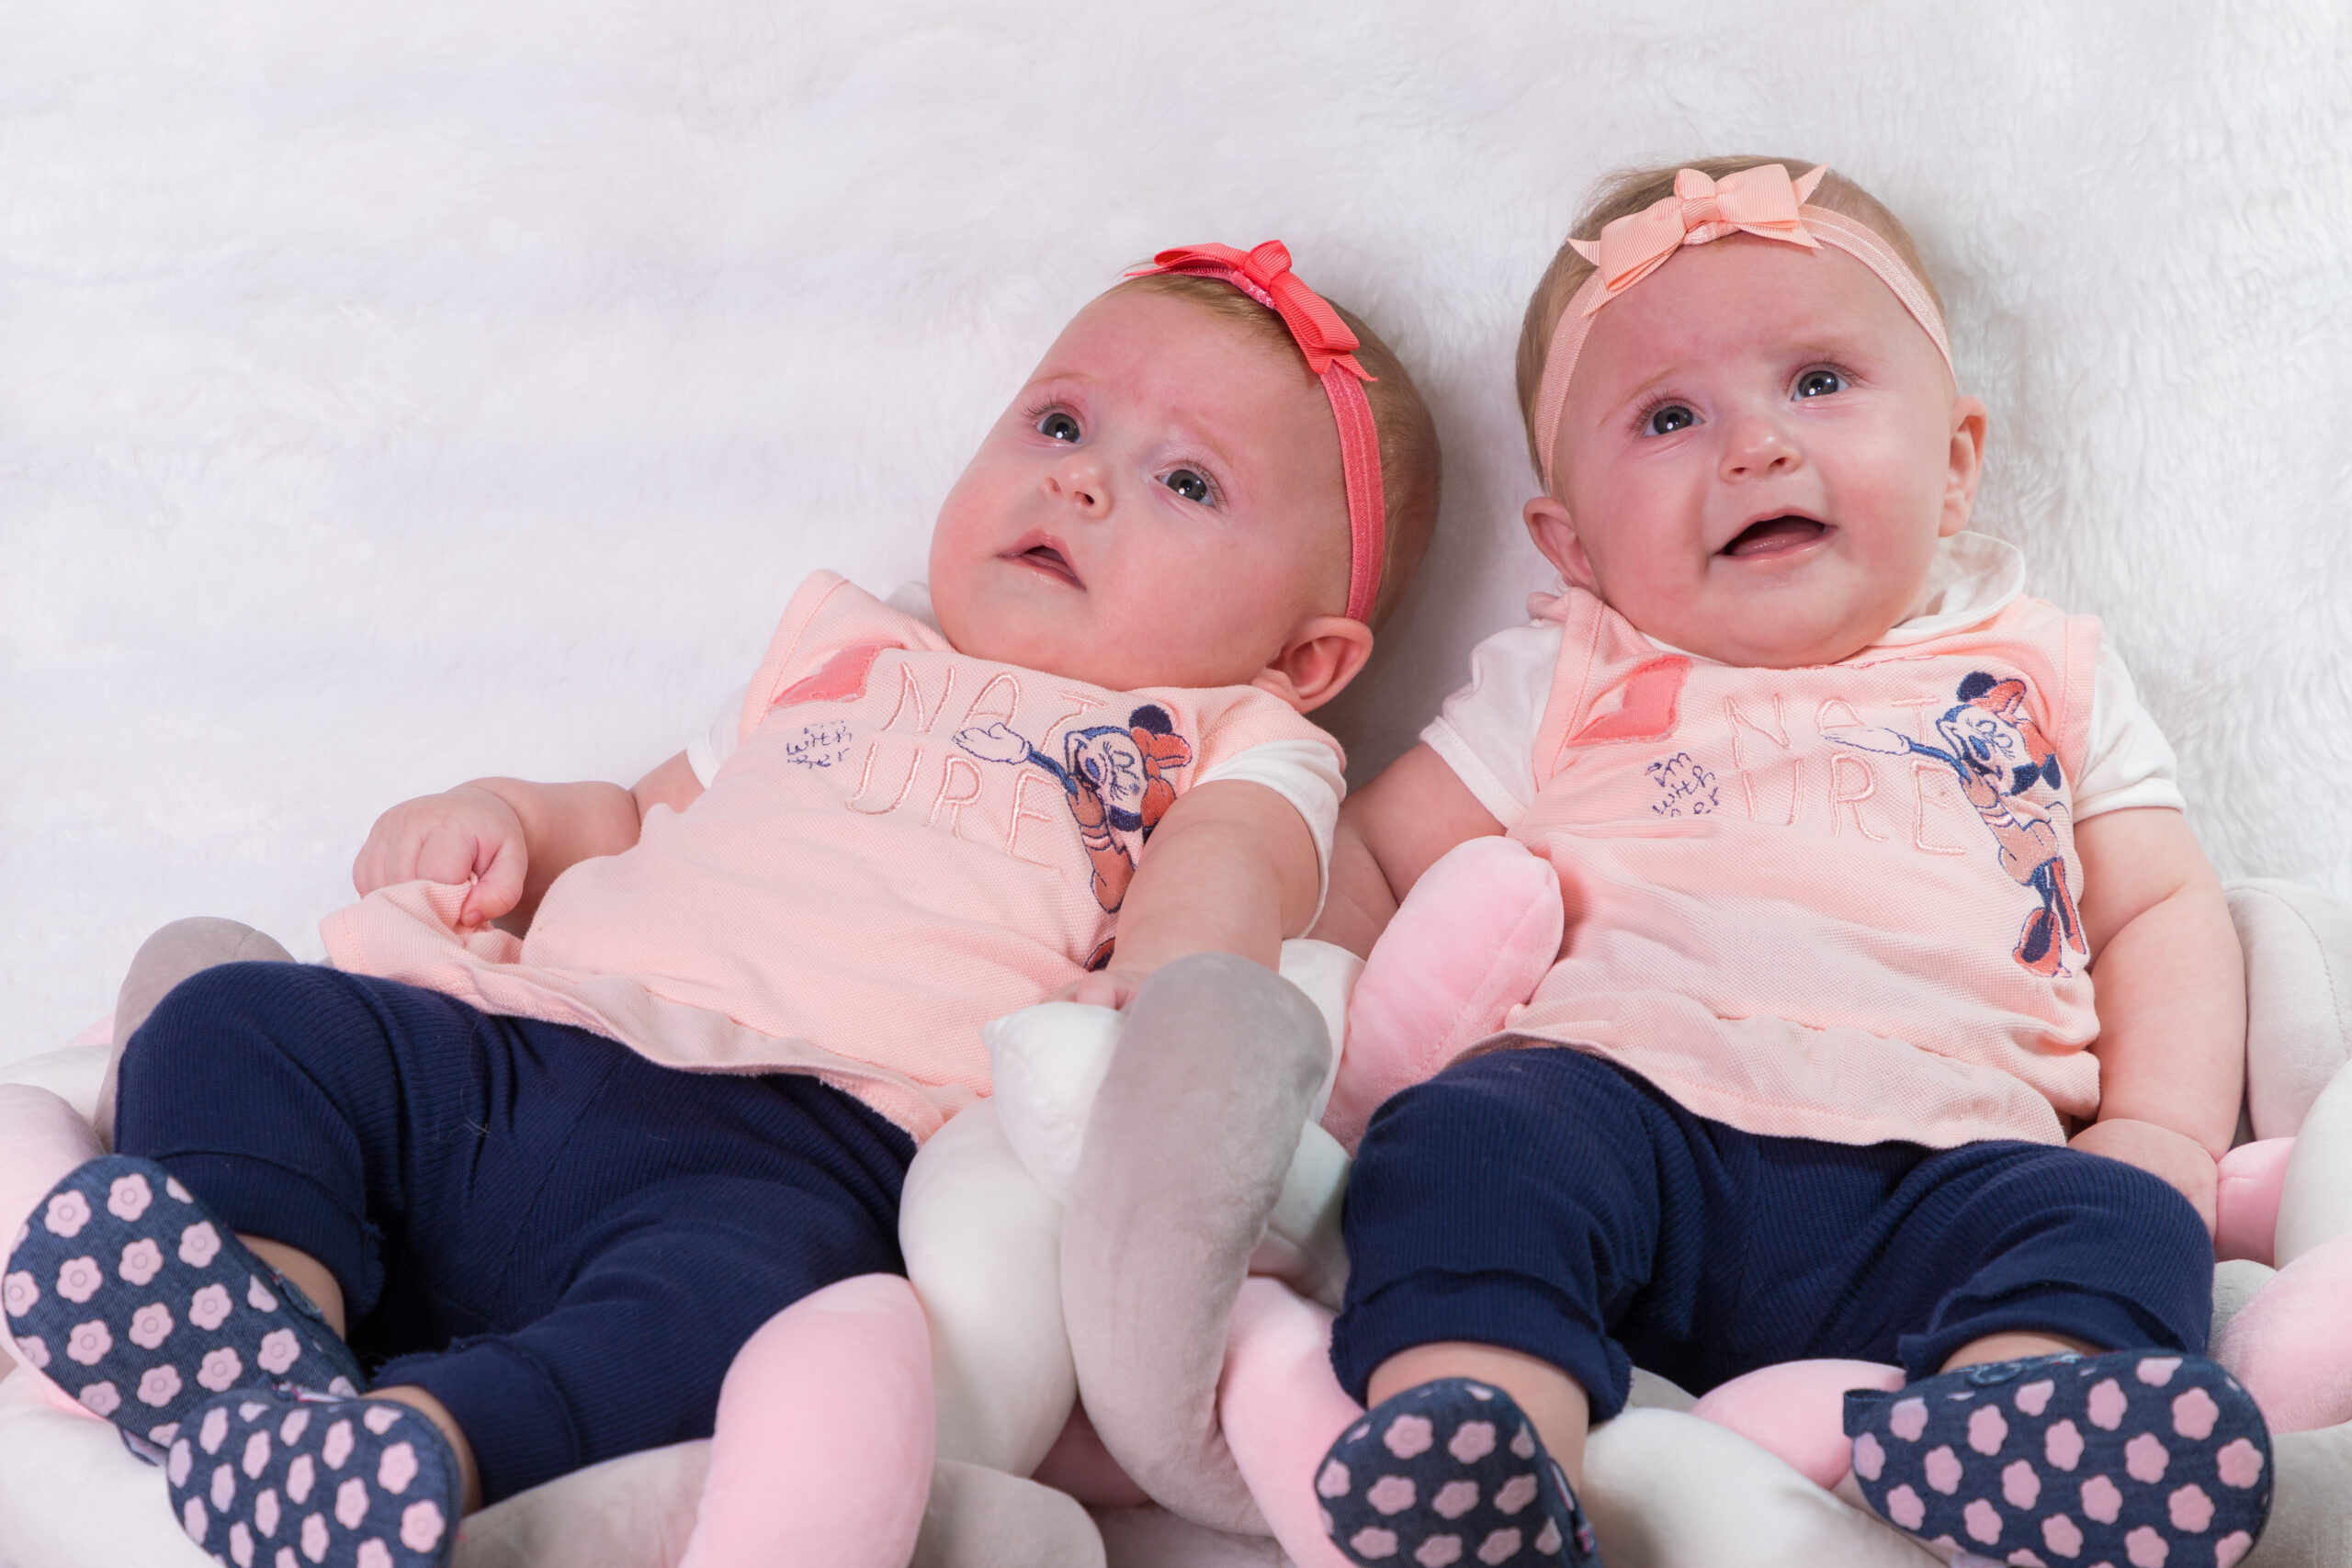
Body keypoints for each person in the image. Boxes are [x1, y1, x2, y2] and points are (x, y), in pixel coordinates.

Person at [2, 239, 1440, 1568]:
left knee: (754, 1315)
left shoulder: (1234, 739)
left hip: (801, 1136)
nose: (1082, 482)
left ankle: (423, 1447)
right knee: (243, 1020)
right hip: (525, 1039)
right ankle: (258, 1325)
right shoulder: (849, 647)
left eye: (1187, 484)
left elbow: (1223, 881)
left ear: (1305, 661)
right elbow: (638, 812)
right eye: (1060, 423)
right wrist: (511, 818)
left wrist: (1166, 989)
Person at [1306, 160, 2268, 1568]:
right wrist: (1315, 1038)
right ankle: (1488, 1442)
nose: (1754, 446)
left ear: (1953, 465)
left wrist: (2162, 1134)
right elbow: (1372, 853)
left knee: (2117, 1221)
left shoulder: (2040, 668)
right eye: (1670, 416)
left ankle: (2014, 1430)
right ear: (1575, 547)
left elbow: (2162, 907)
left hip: (1959, 1165)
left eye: (1818, 382)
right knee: (1468, 1141)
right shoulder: (1568, 677)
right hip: (1626, 1124)